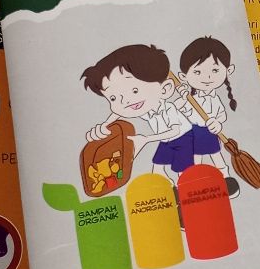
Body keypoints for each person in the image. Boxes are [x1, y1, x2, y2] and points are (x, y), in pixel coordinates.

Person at [82, 44, 193, 183]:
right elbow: (119, 113)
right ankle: (169, 189)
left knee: (183, 171)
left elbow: (175, 131)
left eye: (135, 90)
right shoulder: (143, 106)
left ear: (165, 89)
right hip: (165, 139)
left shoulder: (168, 109)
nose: (125, 101)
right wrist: (105, 124)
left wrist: (146, 139)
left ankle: (186, 187)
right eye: (113, 98)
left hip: (183, 138)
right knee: (158, 168)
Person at [177, 36, 240, 198]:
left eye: (215, 70)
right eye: (197, 72)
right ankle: (191, 182)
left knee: (216, 156)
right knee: (193, 159)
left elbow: (221, 115)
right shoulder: (191, 98)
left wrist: (217, 124)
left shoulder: (215, 99)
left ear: (228, 71)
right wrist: (183, 99)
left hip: (209, 134)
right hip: (193, 133)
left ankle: (225, 179)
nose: (207, 78)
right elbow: (180, 112)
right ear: (184, 76)